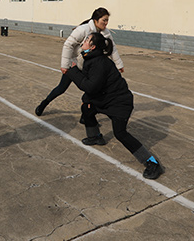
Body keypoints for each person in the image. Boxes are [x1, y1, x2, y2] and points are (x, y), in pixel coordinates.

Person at [65, 32, 163, 179]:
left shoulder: (99, 63)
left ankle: (152, 163)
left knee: (120, 133)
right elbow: (92, 85)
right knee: (87, 108)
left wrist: (72, 72)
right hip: (105, 99)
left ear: (92, 47)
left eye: (87, 40)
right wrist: (86, 99)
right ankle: (95, 137)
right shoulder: (90, 59)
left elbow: (90, 86)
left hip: (120, 103)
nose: (83, 42)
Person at [35, 7, 124, 116]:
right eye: (104, 20)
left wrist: (119, 65)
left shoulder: (105, 33)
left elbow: (112, 48)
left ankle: (86, 116)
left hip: (89, 66)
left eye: (107, 20)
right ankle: (43, 104)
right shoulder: (83, 30)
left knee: (92, 91)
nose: (106, 23)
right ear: (96, 20)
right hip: (74, 64)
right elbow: (68, 45)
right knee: (61, 88)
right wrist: (65, 66)